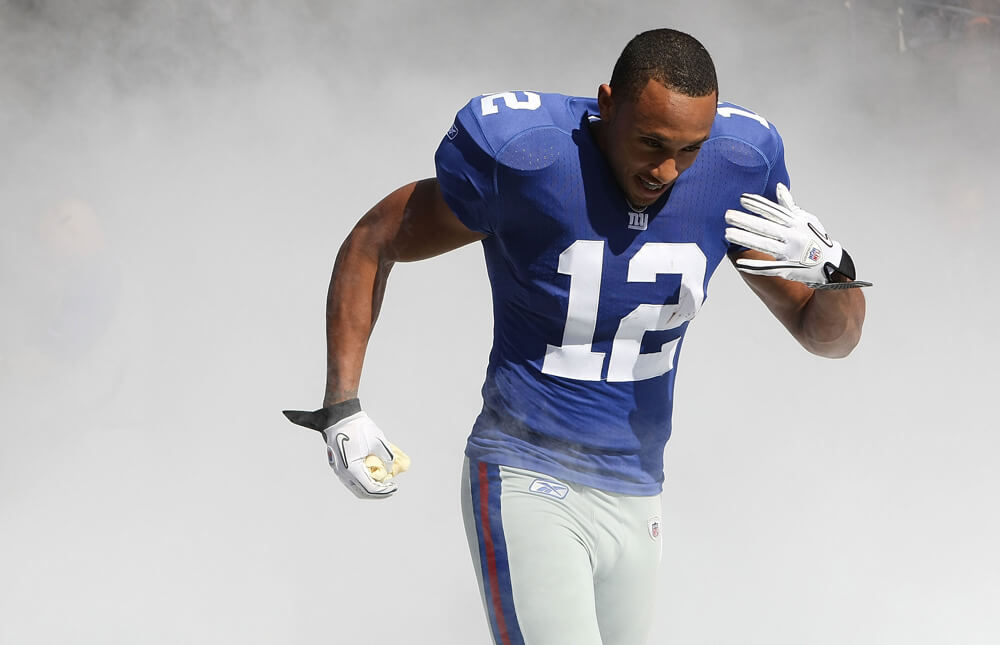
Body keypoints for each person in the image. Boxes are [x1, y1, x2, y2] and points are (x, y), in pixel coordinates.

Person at [284, 28, 868, 645]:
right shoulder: (530, 156)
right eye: (651, 143)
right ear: (607, 104)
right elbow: (375, 240)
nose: (667, 170)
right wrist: (342, 403)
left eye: (690, 150)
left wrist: (836, 274)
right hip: (525, 470)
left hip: (638, 488)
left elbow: (829, 339)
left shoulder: (736, 167)